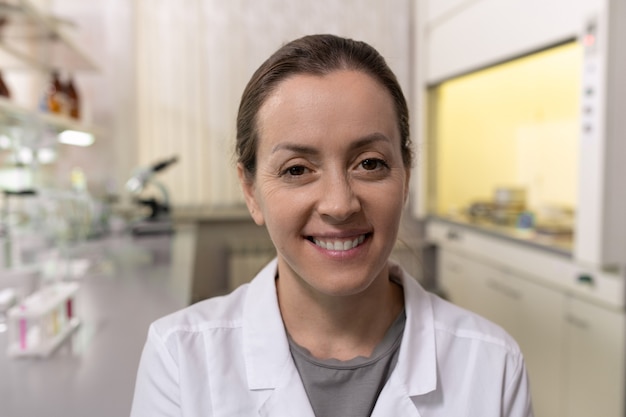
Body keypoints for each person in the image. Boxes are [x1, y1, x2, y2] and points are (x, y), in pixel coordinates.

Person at [130, 34, 534, 417]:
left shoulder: (492, 364)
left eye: (370, 163)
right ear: (251, 191)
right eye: (297, 169)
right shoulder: (179, 358)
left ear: (406, 176)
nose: (340, 204)